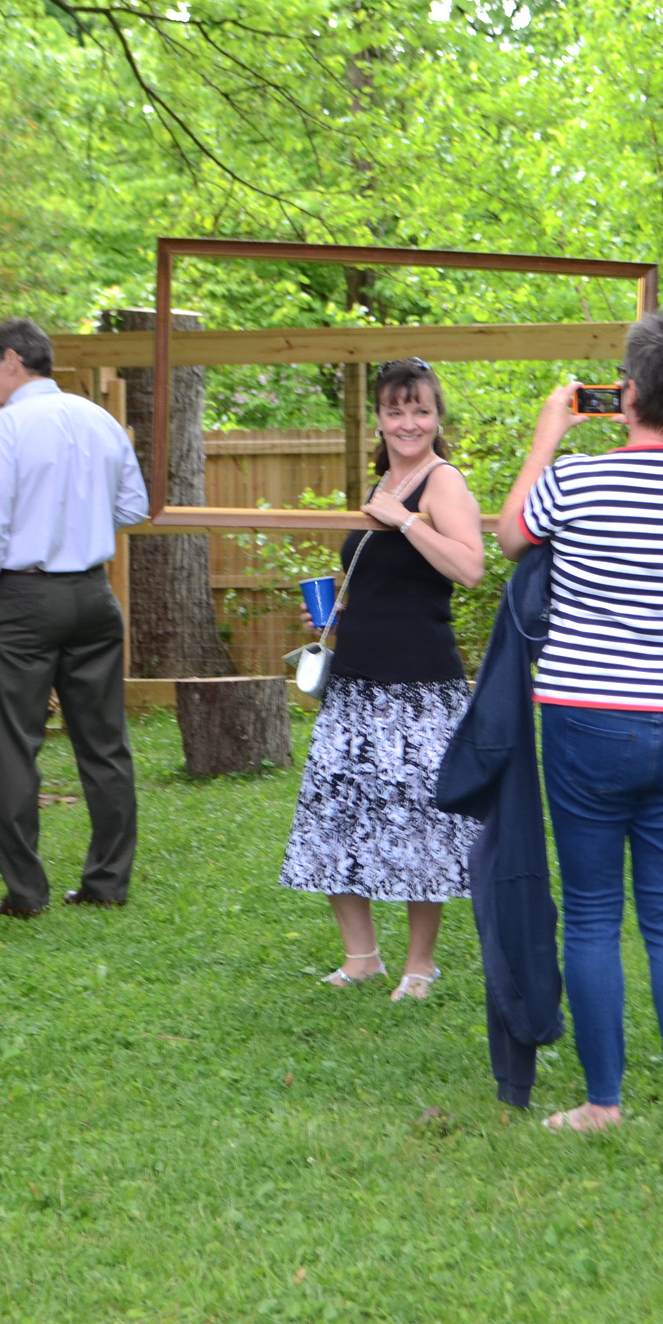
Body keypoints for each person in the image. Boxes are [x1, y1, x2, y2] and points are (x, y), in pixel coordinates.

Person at [495, 312, 663, 1137]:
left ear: (627, 393)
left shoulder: (577, 480)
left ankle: (603, 1101)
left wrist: (549, 434)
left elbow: (510, 536)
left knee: (594, 913)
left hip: (589, 718)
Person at [280, 358, 488, 1001]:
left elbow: (470, 568)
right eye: (396, 411)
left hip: (419, 685)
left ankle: (420, 965)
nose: (408, 422)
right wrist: (342, 611)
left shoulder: (442, 482)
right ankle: (362, 957)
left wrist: (405, 519)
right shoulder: (382, 483)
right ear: (378, 418)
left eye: (420, 410)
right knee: (336, 811)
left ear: (438, 417)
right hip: (357, 679)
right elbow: (392, 580)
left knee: (422, 824)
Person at [0, 319, 149, 917]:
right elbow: (135, 507)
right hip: (94, 593)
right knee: (105, 745)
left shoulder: (7, 425)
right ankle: (107, 882)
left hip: (23, 598)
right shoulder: (101, 418)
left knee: (12, 747)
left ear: (12, 361)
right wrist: (81, 526)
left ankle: (25, 893)